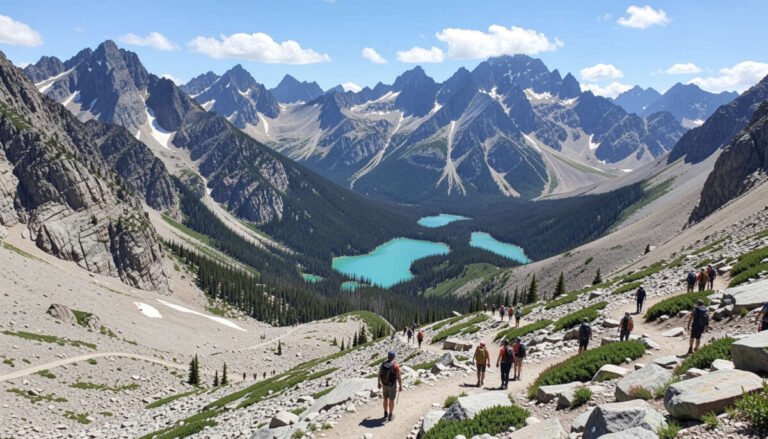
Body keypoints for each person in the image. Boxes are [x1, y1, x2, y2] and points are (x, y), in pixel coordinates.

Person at [378, 351, 402, 421]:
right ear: (394, 357)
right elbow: (398, 377)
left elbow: (379, 374)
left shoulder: (383, 364)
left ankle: (385, 413)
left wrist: (379, 383)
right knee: (391, 400)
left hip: (384, 384)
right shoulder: (395, 365)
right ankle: (390, 415)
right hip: (392, 385)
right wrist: (400, 386)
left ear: (388, 356)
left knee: (385, 398)